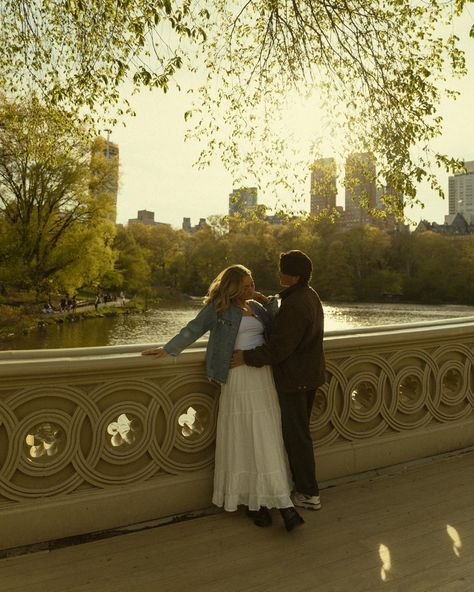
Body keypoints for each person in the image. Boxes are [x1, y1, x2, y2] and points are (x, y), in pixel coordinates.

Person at [142, 264, 304, 532]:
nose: (251, 289)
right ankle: (258, 505)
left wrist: (267, 301)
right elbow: (193, 329)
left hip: (262, 377)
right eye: (246, 286)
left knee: (265, 435)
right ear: (233, 287)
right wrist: (168, 348)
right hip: (237, 379)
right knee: (245, 436)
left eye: (252, 284)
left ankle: (273, 500)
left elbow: (279, 328)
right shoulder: (219, 308)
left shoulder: (261, 308)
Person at [232, 250, 326, 512]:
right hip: (310, 375)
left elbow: (279, 348)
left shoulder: (295, 304)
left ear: (293, 276)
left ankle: (308, 493)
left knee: (296, 438)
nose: (278, 273)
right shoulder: (309, 295)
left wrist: (246, 357)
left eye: (282, 269)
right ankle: (305, 488)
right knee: (300, 435)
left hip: (295, 379)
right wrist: (266, 302)